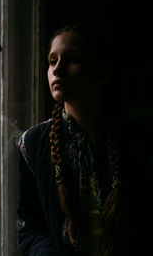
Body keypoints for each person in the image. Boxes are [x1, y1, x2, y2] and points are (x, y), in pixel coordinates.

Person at [17, 24, 153, 256]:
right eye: (52, 61)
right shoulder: (33, 143)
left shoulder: (135, 140)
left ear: (101, 74)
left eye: (72, 60)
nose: (57, 69)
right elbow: (31, 227)